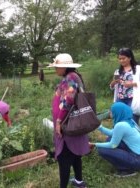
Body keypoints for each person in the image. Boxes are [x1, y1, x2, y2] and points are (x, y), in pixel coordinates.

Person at [47, 53, 90, 188]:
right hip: (72, 122)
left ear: (65, 67)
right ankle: (78, 181)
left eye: (57, 66)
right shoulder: (72, 76)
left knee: (64, 158)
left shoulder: (70, 77)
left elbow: (69, 100)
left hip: (67, 123)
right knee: (75, 153)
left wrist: (59, 121)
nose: (55, 69)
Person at [89, 102, 140, 177]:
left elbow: (113, 145)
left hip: (137, 159)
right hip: (136, 153)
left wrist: (94, 144)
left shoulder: (121, 125)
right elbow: (112, 133)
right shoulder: (129, 120)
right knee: (110, 138)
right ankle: (125, 161)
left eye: (111, 111)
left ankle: (127, 170)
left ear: (118, 112)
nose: (110, 113)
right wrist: (99, 127)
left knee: (102, 149)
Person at [109, 48, 139, 124]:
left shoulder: (138, 69)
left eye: (124, 58)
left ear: (130, 58)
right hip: (120, 99)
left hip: (132, 99)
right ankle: (118, 134)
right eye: (120, 59)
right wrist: (113, 83)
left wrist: (132, 84)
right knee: (118, 119)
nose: (121, 60)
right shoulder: (118, 71)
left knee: (131, 120)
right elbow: (112, 87)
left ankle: (133, 135)